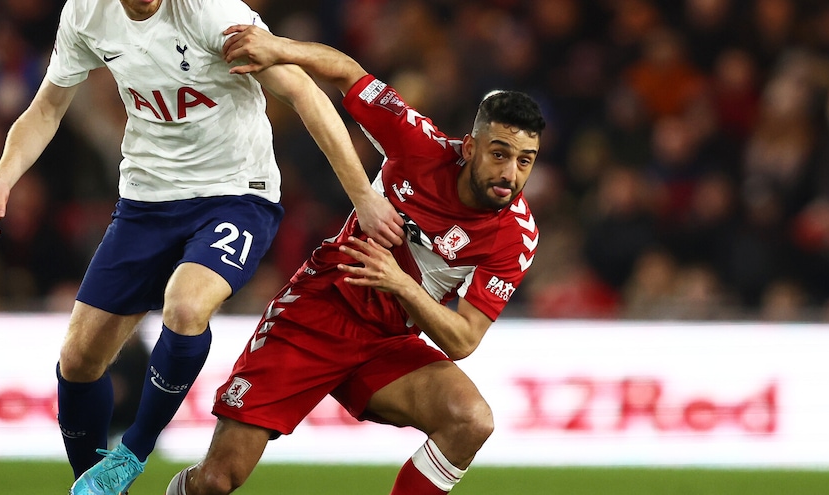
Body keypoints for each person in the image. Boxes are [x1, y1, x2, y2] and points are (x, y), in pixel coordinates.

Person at [0, 0, 404, 494]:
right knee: (78, 360)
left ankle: (134, 448)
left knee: (186, 304)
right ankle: (94, 485)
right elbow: (47, 106)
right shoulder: (86, 13)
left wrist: (364, 197)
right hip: (147, 199)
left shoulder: (211, 13)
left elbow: (304, 91)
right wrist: (2, 179)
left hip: (237, 194)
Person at [166, 25, 546, 495]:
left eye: (524, 161)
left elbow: (463, 338)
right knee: (216, 481)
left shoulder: (515, 236)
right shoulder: (418, 144)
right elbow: (348, 73)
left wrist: (401, 284)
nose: (510, 174)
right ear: (470, 148)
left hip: (387, 342)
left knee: (471, 420)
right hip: (319, 312)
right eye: (499, 154)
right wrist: (277, 48)